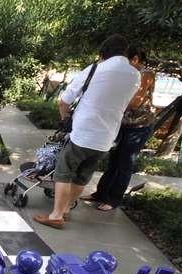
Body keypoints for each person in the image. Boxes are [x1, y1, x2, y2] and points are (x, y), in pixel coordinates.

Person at [33, 35, 140, 229]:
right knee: (83, 175)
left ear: (103, 53)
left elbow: (64, 100)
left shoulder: (95, 69)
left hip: (83, 132)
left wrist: (64, 119)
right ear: (125, 53)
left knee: (63, 172)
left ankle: (56, 215)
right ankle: (65, 209)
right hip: (107, 136)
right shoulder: (135, 75)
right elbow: (127, 103)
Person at [83, 46, 156, 211]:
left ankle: (114, 199)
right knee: (113, 161)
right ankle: (100, 194)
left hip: (139, 126)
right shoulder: (129, 74)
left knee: (125, 163)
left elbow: (135, 101)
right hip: (123, 123)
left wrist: (112, 103)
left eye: (125, 60)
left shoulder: (146, 74)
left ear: (135, 59)